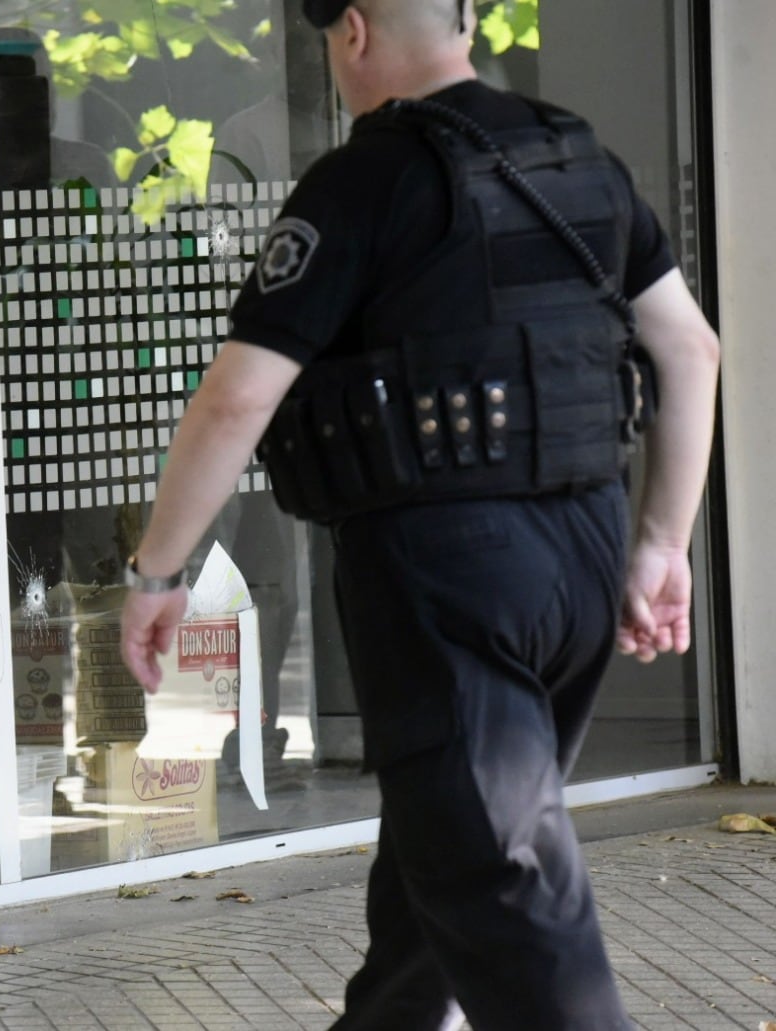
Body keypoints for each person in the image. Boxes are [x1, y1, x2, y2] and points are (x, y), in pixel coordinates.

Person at [117, 0, 721, 1028]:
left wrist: (156, 574)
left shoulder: (364, 178)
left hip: (444, 569)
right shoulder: (579, 157)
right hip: (580, 548)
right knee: (442, 858)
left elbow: (237, 397)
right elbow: (690, 349)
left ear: (351, 32)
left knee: (503, 878)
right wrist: (661, 543)